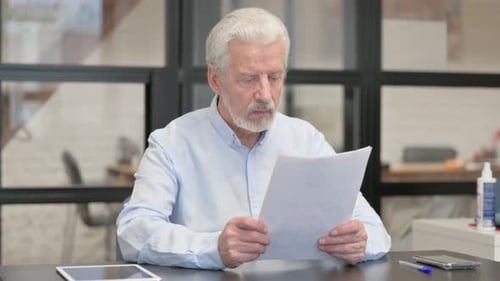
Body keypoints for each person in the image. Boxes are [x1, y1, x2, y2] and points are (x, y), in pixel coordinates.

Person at [116, 7, 391, 270]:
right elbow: (133, 231)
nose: (265, 94)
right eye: (249, 79)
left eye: (274, 77)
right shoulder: (172, 143)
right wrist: (213, 247)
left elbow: (376, 232)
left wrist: (360, 242)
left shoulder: (307, 139)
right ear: (215, 79)